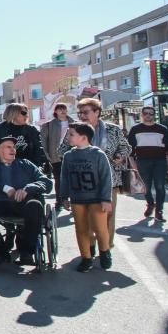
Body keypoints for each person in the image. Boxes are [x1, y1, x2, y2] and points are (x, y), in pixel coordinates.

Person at [59, 97, 130, 253]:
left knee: (108, 216)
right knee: (87, 220)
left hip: (109, 179)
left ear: (97, 112)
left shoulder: (113, 129)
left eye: (86, 112)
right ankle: (89, 246)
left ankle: (106, 248)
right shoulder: (75, 130)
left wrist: (119, 156)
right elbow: (62, 150)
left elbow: (126, 147)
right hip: (83, 182)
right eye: (80, 113)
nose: (82, 116)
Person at [0, 135, 52, 265]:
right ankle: (1, 252)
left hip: (22, 203)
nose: (13, 149)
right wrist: (3, 188)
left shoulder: (25, 164)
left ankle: (27, 252)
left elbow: (46, 182)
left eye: (14, 147)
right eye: (8, 147)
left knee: (35, 206)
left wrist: (28, 188)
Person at [59, 122, 114, 272]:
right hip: (78, 199)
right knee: (81, 229)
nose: (68, 137)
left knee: (100, 228)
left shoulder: (97, 154)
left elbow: (106, 177)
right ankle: (86, 257)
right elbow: (65, 178)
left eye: (71, 134)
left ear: (83, 137)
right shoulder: (68, 156)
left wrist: (106, 199)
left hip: (96, 198)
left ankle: (105, 252)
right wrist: (63, 197)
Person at [127, 106, 168, 222]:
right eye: (146, 113)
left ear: (154, 115)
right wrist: (132, 162)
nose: (148, 115)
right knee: (146, 187)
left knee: (160, 186)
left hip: (160, 161)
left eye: (151, 113)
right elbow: (130, 148)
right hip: (142, 161)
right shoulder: (135, 129)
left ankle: (159, 211)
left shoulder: (162, 129)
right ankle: (150, 204)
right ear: (142, 115)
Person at [0, 103, 47, 168]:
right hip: (3, 170)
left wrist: (36, 167)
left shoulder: (31, 130)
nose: (27, 116)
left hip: (27, 170)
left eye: (27, 113)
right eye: (23, 113)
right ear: (13, 113)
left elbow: (40, 150)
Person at [40, 103, 74, 211]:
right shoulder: (49, 125)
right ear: (56, 111)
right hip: (56, 155)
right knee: (59, 179)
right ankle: (60, 201)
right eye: (60, 109)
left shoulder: (74, 123)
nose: (63, 111)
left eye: (64, 109)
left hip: (72, 155)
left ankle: (74, 202)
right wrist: (47, 154)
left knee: (73, 179)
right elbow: (43, 141)